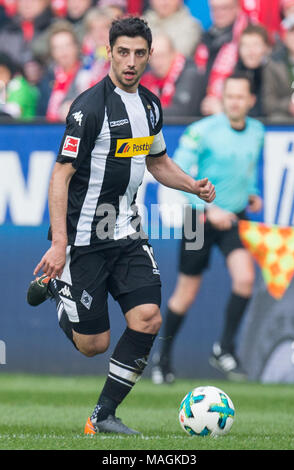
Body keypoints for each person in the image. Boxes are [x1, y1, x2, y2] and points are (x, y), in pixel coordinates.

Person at [26, 17, 215, 435]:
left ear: (149, 55)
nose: (131, 62)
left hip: (126, 231)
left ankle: (102, 416)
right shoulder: (89, 107)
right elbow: (60, 175)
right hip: (83, 239)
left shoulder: (149, 105)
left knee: (148, 317)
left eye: (139, 53)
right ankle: (61, 288)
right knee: (93, 346)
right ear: (109, 52)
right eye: (123, 52)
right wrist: (60, 244)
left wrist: (192, 186)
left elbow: (158, 161)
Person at [151, 72, 264, 385]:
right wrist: (208, 208)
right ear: (222, 98)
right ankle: (162, 359)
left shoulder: (257, 131)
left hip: (234, 217)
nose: (235, 102)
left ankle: (224, 349)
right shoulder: (202, 131)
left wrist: (251, 193)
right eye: (230, 97)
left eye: (241, 97)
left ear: (251, 101)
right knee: (185, 294)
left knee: (245, 279)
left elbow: (248, 168)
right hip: (199, 218)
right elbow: (180, 175)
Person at [194, 0, 248, 117]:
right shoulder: (205, 38)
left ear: (237, 8)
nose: (219, 13)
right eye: (214, 9)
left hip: (233, 113)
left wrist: (223, 108)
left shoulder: (246, 37)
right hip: (205, 109)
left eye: (224, 8)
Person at [140, 33, 203, 118]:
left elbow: (182, 111)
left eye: (161, 56)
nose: (156, 62)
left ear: (174, 54)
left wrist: (144, 112)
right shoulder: (146, 76)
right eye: (152, 57)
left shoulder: (189, 73)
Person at [36, 20, 81, 121]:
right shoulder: (47, 77)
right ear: (52, 52)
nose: (63, 51)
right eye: (57, 48)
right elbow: (40, 113)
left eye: (67, 45)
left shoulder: (87, 74)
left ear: (76, 47)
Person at [263, 13, 294, 120]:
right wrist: (290, 105)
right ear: (285, 36)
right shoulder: (273, 63)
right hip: (283, 121)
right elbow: (268, 102)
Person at [235, 24, 271, 117]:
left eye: (256, 45)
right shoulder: (234, 74)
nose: (250, 51)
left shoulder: (275, 72)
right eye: (245, 45)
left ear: (266, 48)